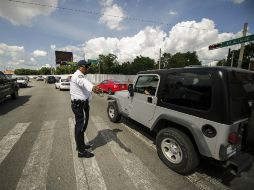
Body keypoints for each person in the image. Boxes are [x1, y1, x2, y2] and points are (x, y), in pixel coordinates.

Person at [70, 60, 101, 158]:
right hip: (80, 105)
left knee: (80, 127)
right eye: (86, 66)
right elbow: (84, 83)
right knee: (80, 127)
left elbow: (84, 86)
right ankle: (81, 152)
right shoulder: (78, 76)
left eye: (88, 66)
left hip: (81, 105)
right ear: (80, 67)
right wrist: (93, 87)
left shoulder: (80, 75)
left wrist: (92, 90)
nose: (88, 68)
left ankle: (80, 145)